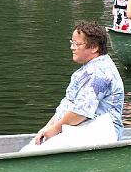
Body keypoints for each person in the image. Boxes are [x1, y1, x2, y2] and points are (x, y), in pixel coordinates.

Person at [23, 21, 124, 152]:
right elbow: (67, 106)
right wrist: (47, 128)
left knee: (38, 151)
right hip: (84, 128)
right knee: (34, 146)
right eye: (72, 42)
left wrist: (55, 129)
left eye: (77, 44)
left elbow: (80, 112)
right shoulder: (88, 69)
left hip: (102, 131)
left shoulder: (99, 73)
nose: (72, 47)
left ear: (94, 47)